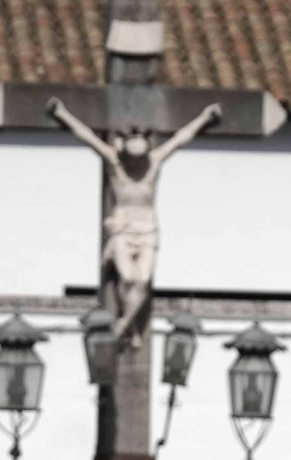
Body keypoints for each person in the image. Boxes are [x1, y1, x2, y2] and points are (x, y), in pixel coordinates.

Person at [46, 96, 223, 347]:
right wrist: (61, 114)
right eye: (132, 159)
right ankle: (130, 327)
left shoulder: (155, 160)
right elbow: (86, 136)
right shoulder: (114, 161)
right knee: (128, 279)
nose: (136, 165)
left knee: (143, 280)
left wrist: (204, 118)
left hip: (148, 229)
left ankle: (124, 324)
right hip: (122, 227)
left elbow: (181, 138)